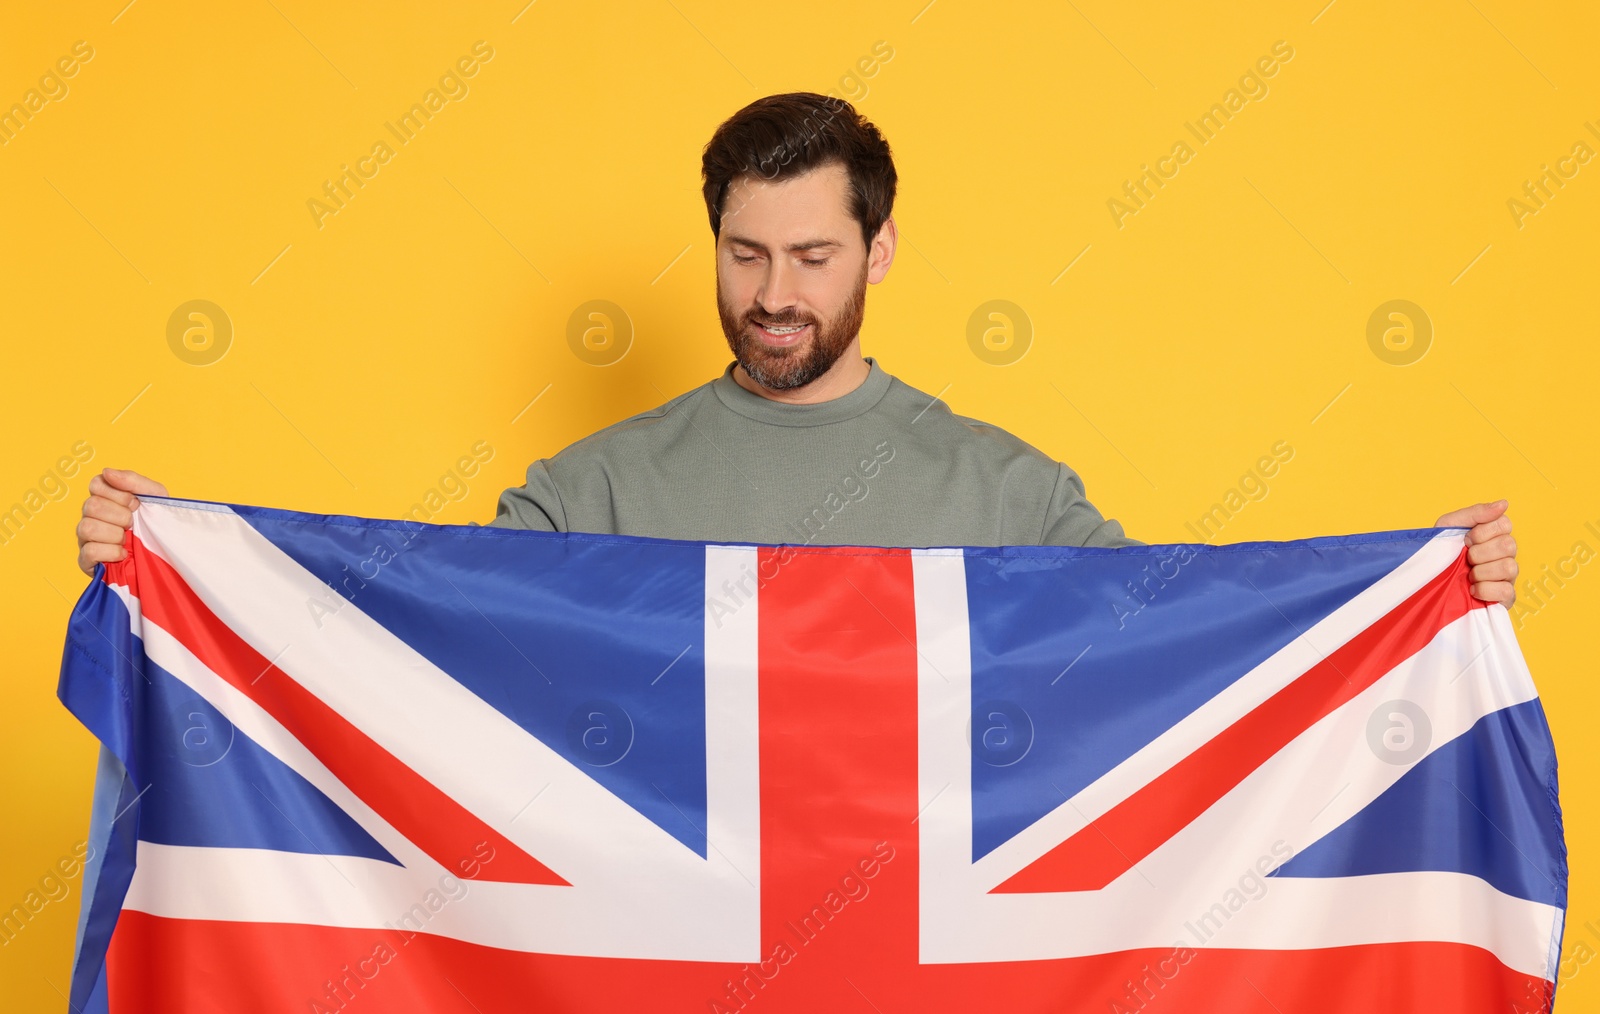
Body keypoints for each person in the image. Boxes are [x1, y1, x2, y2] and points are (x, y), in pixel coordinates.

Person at [74, 92, 1519, 604]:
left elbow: (1183, 655)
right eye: (744, 253)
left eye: (813, 259)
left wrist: (1410, 593)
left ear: (879, 255)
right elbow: (431, 655)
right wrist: (188, 566)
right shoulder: (592, 494)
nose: (773, 294)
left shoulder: (1010, 496)